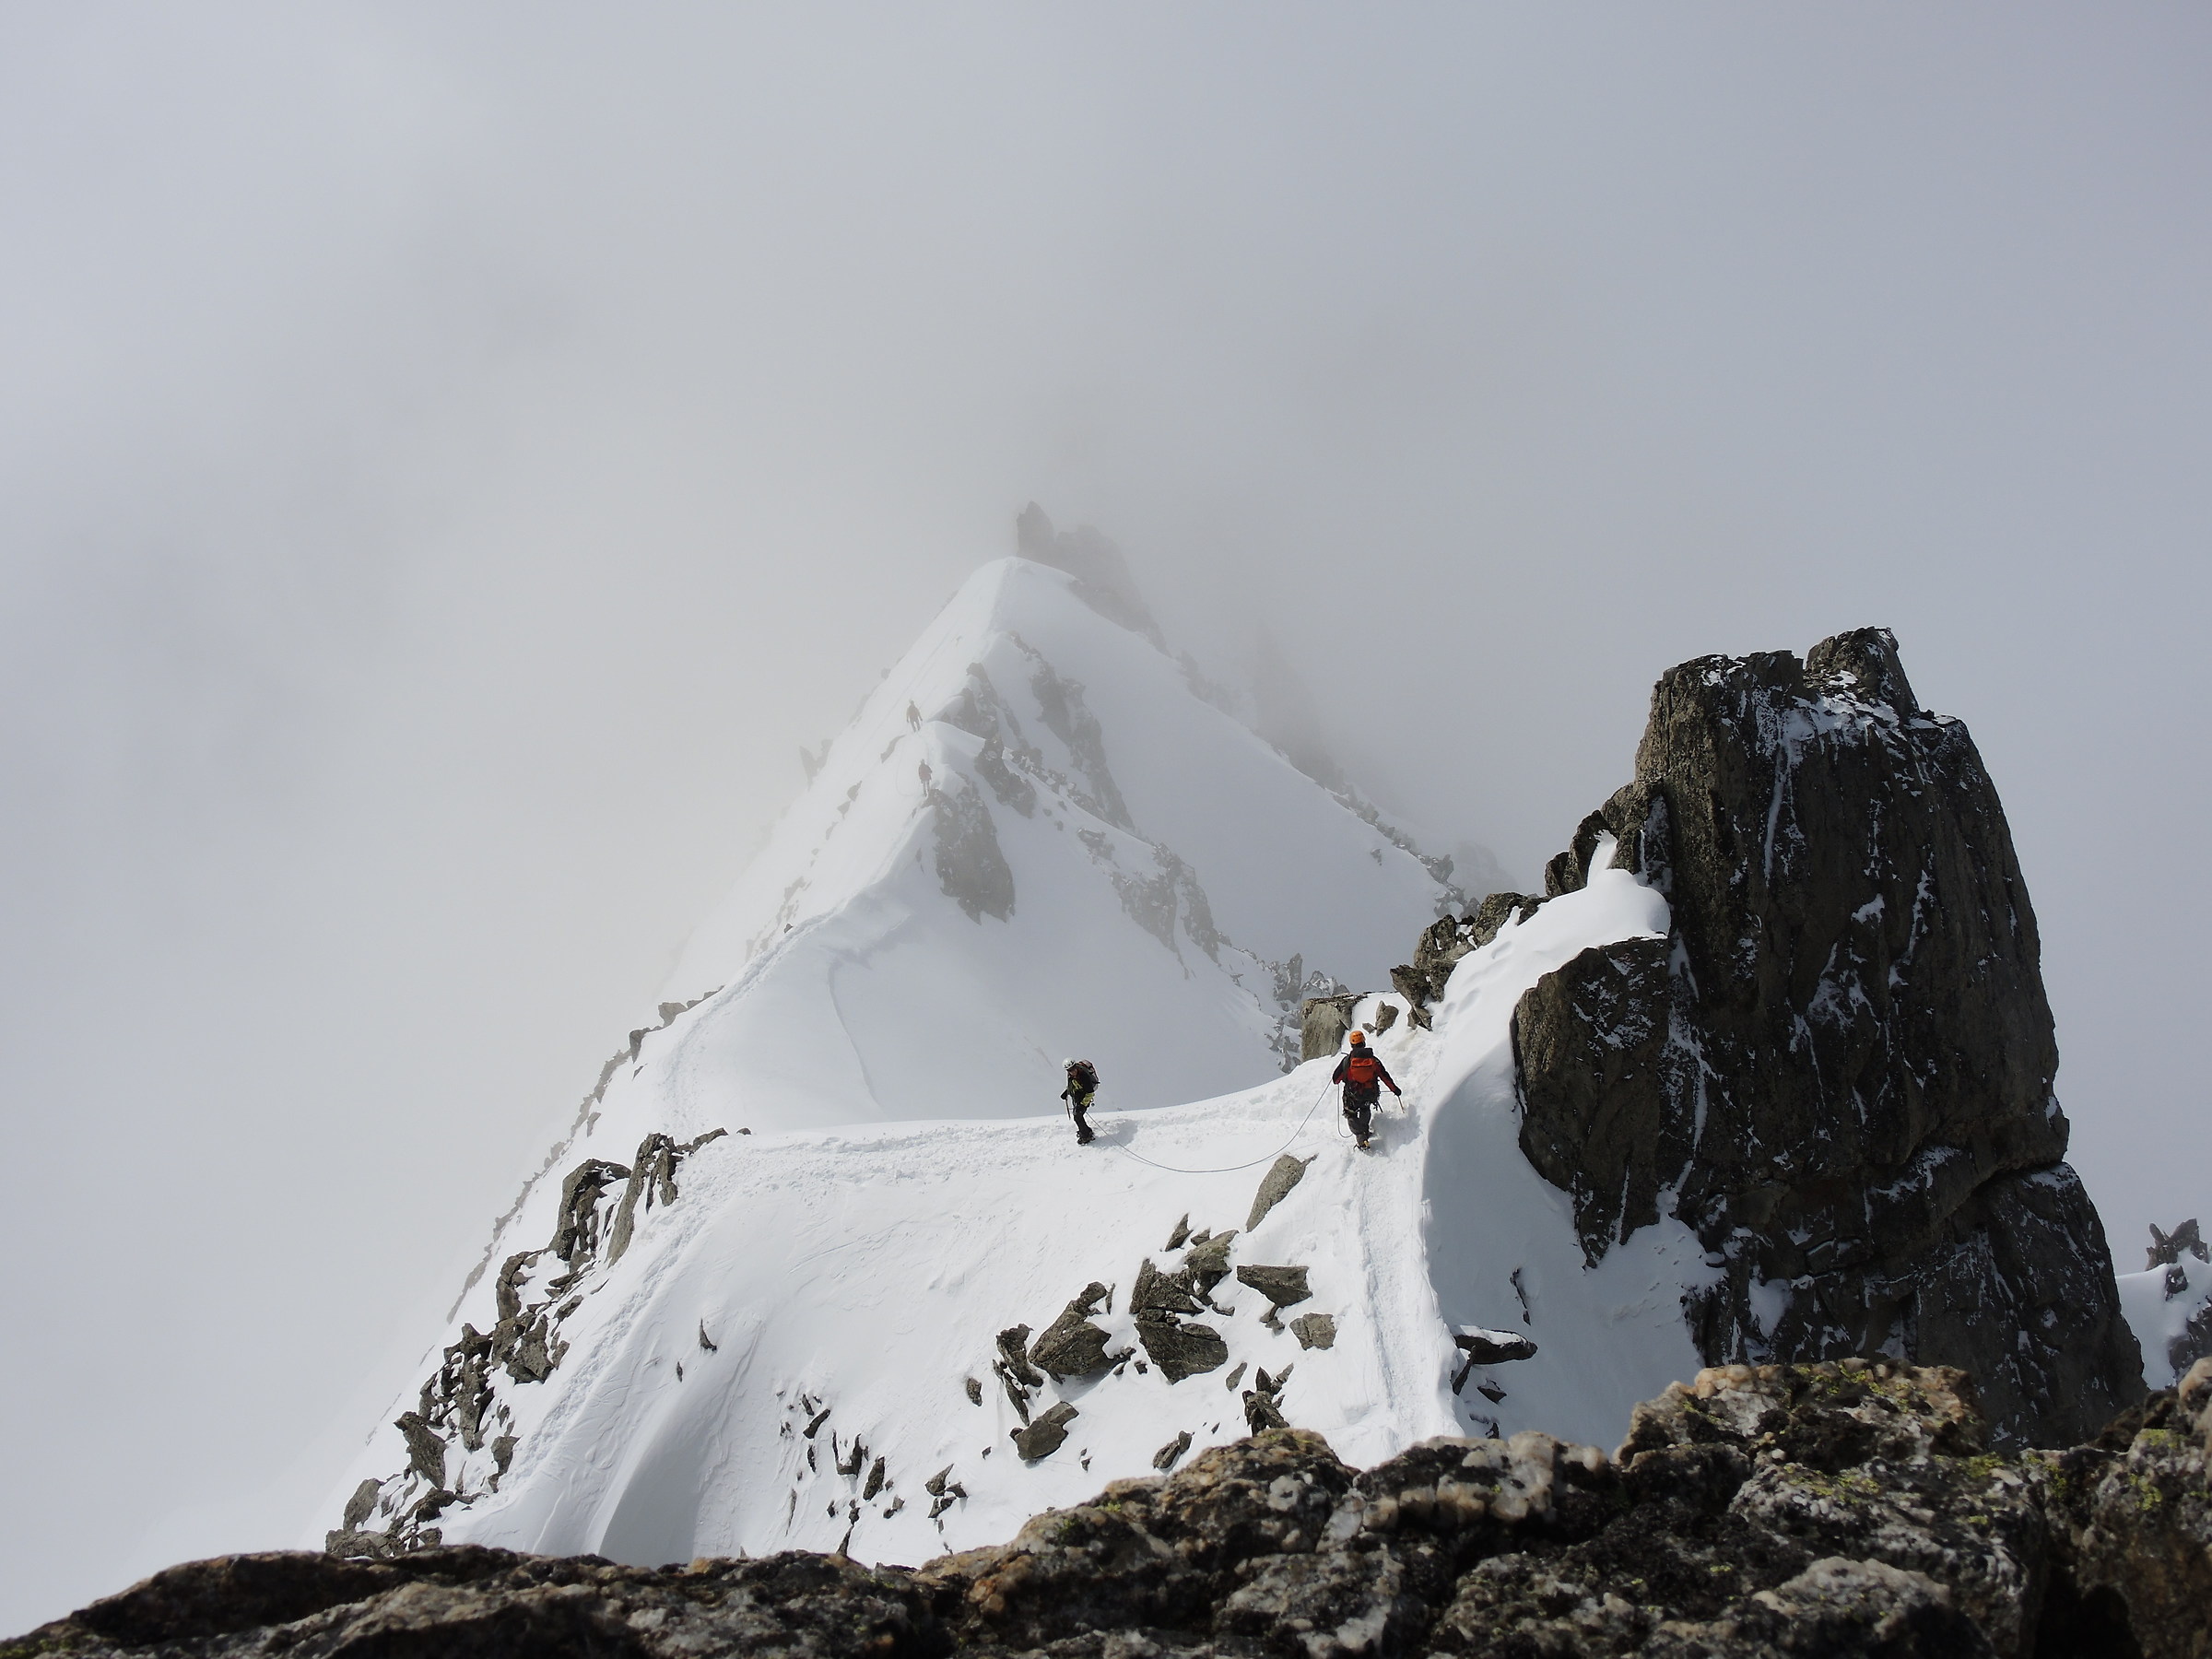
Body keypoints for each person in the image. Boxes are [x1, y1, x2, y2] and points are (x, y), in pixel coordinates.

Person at [1331, 1030, 1399, 1149]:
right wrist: (1395, 1089)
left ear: (1352, 1045)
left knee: (1351, 1113)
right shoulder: (1373, 1060)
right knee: (1365, 1109)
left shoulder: (1347, 1061)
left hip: (1352, 1095)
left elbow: (1335, 1079)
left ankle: (1361, 1138)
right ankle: (1365, 1132)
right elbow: (1384, 1076)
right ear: (1364, 1042)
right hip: (1369, 1094)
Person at [1061, 1057, 1100, 1145]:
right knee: (1077, 1115)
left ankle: (1086, 1136)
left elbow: (1090, 1093)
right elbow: (1072, 1085)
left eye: (1073, 1068)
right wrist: (1066, 1092)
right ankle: (1086, 1131)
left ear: (1076, 1066)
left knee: (1077, 1115)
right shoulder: (1071, 1076)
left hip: (1085, 1096)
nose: (1072, 1071)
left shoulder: (1084, 1076)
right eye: (1070, 1070)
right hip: (1079, 1094)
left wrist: (1083, 1104)